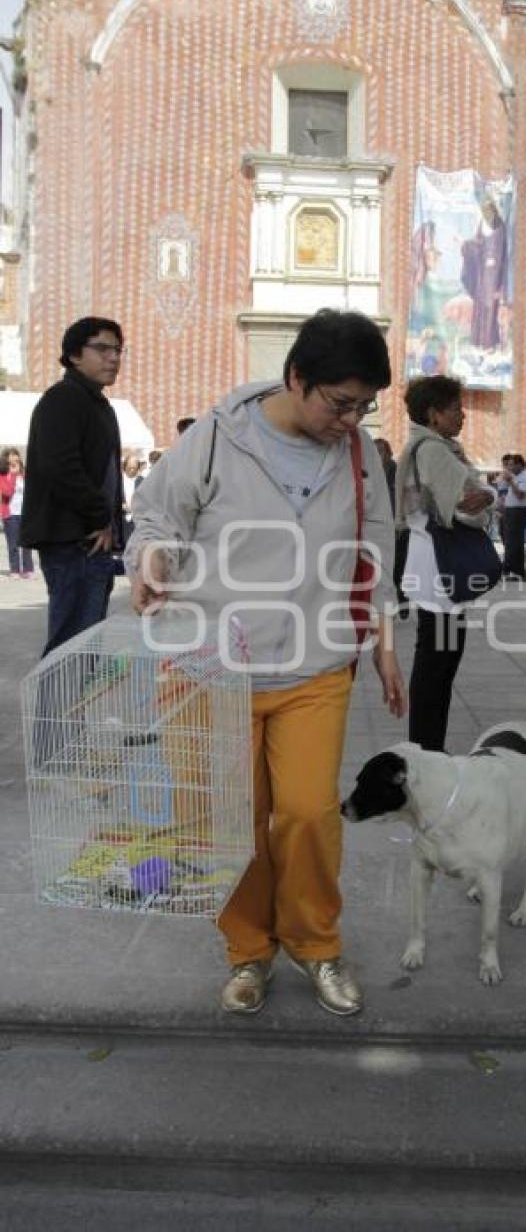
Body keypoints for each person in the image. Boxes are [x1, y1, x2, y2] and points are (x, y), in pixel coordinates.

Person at [127, 309, 406, 1019]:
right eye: (339, 403)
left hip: (314, 664)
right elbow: (158, 516)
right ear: (294, 378)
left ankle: (317, 943)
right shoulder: (220, 437)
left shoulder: (358, 452)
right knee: (233, 821)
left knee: (309, 812)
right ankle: (248, 949)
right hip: (210, 666)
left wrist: (383, 634)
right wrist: (152, 558)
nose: (351, 418)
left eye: (364, 406)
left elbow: (375, 545)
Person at [395, 374, 495, 752]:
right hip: (439, 567)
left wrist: (482, 496)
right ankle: (426, 748)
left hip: (432, 565)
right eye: (455, 408)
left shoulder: (433, 446)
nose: (463, 415)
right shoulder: (434, 450)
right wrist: (487, 495)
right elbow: (466, 503)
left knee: (437, 658)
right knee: (438, 662)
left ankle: (427, 745)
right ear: (434, 414)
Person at [20, 317, 125, 655]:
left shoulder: (96, 403)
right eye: (103, 348)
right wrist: (98, 517)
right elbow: (60, 467)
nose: (113, 357)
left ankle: (68, 709)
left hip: (91, 541)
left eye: (118, 350)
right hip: (74, 540)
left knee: (85, 646)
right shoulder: (63, 398)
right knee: (71, 648)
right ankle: (53, 709)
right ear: (74, 355)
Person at [460, 197, 508, 352]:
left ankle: (489, 344)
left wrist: (494, 264)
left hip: (494, 276)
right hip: (482, 276)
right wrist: (466, 245)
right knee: (481, 306)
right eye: (484, 212)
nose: (486, 215)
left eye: (488, 211)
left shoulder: (500, 229)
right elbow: (478, 244)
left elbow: (501, 253)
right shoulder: (482, 226)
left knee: (490, 308)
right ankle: (478, 342)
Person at [499, 453, 526, 581]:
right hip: (511, 511)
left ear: (519, 464)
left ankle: (508, 570)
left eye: (511, 464)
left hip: (519, 511)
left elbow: (520, 495)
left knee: (513, 542)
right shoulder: (516, 476)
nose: (509, 467)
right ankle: (517, 572)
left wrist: (510, 481)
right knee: (513, 542)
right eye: (508, 464)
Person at [0, 447, 35, 578]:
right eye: (12, 455)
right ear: (6, 459)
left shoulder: (24, 474)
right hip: (10, 514)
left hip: (25, 513)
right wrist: (13, 475)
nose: (15, 457)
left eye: (16, 455)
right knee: (13, 543)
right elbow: (7, 493)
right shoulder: (3, 476)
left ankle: (28, 569)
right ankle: (14, 569)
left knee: (27, 542)